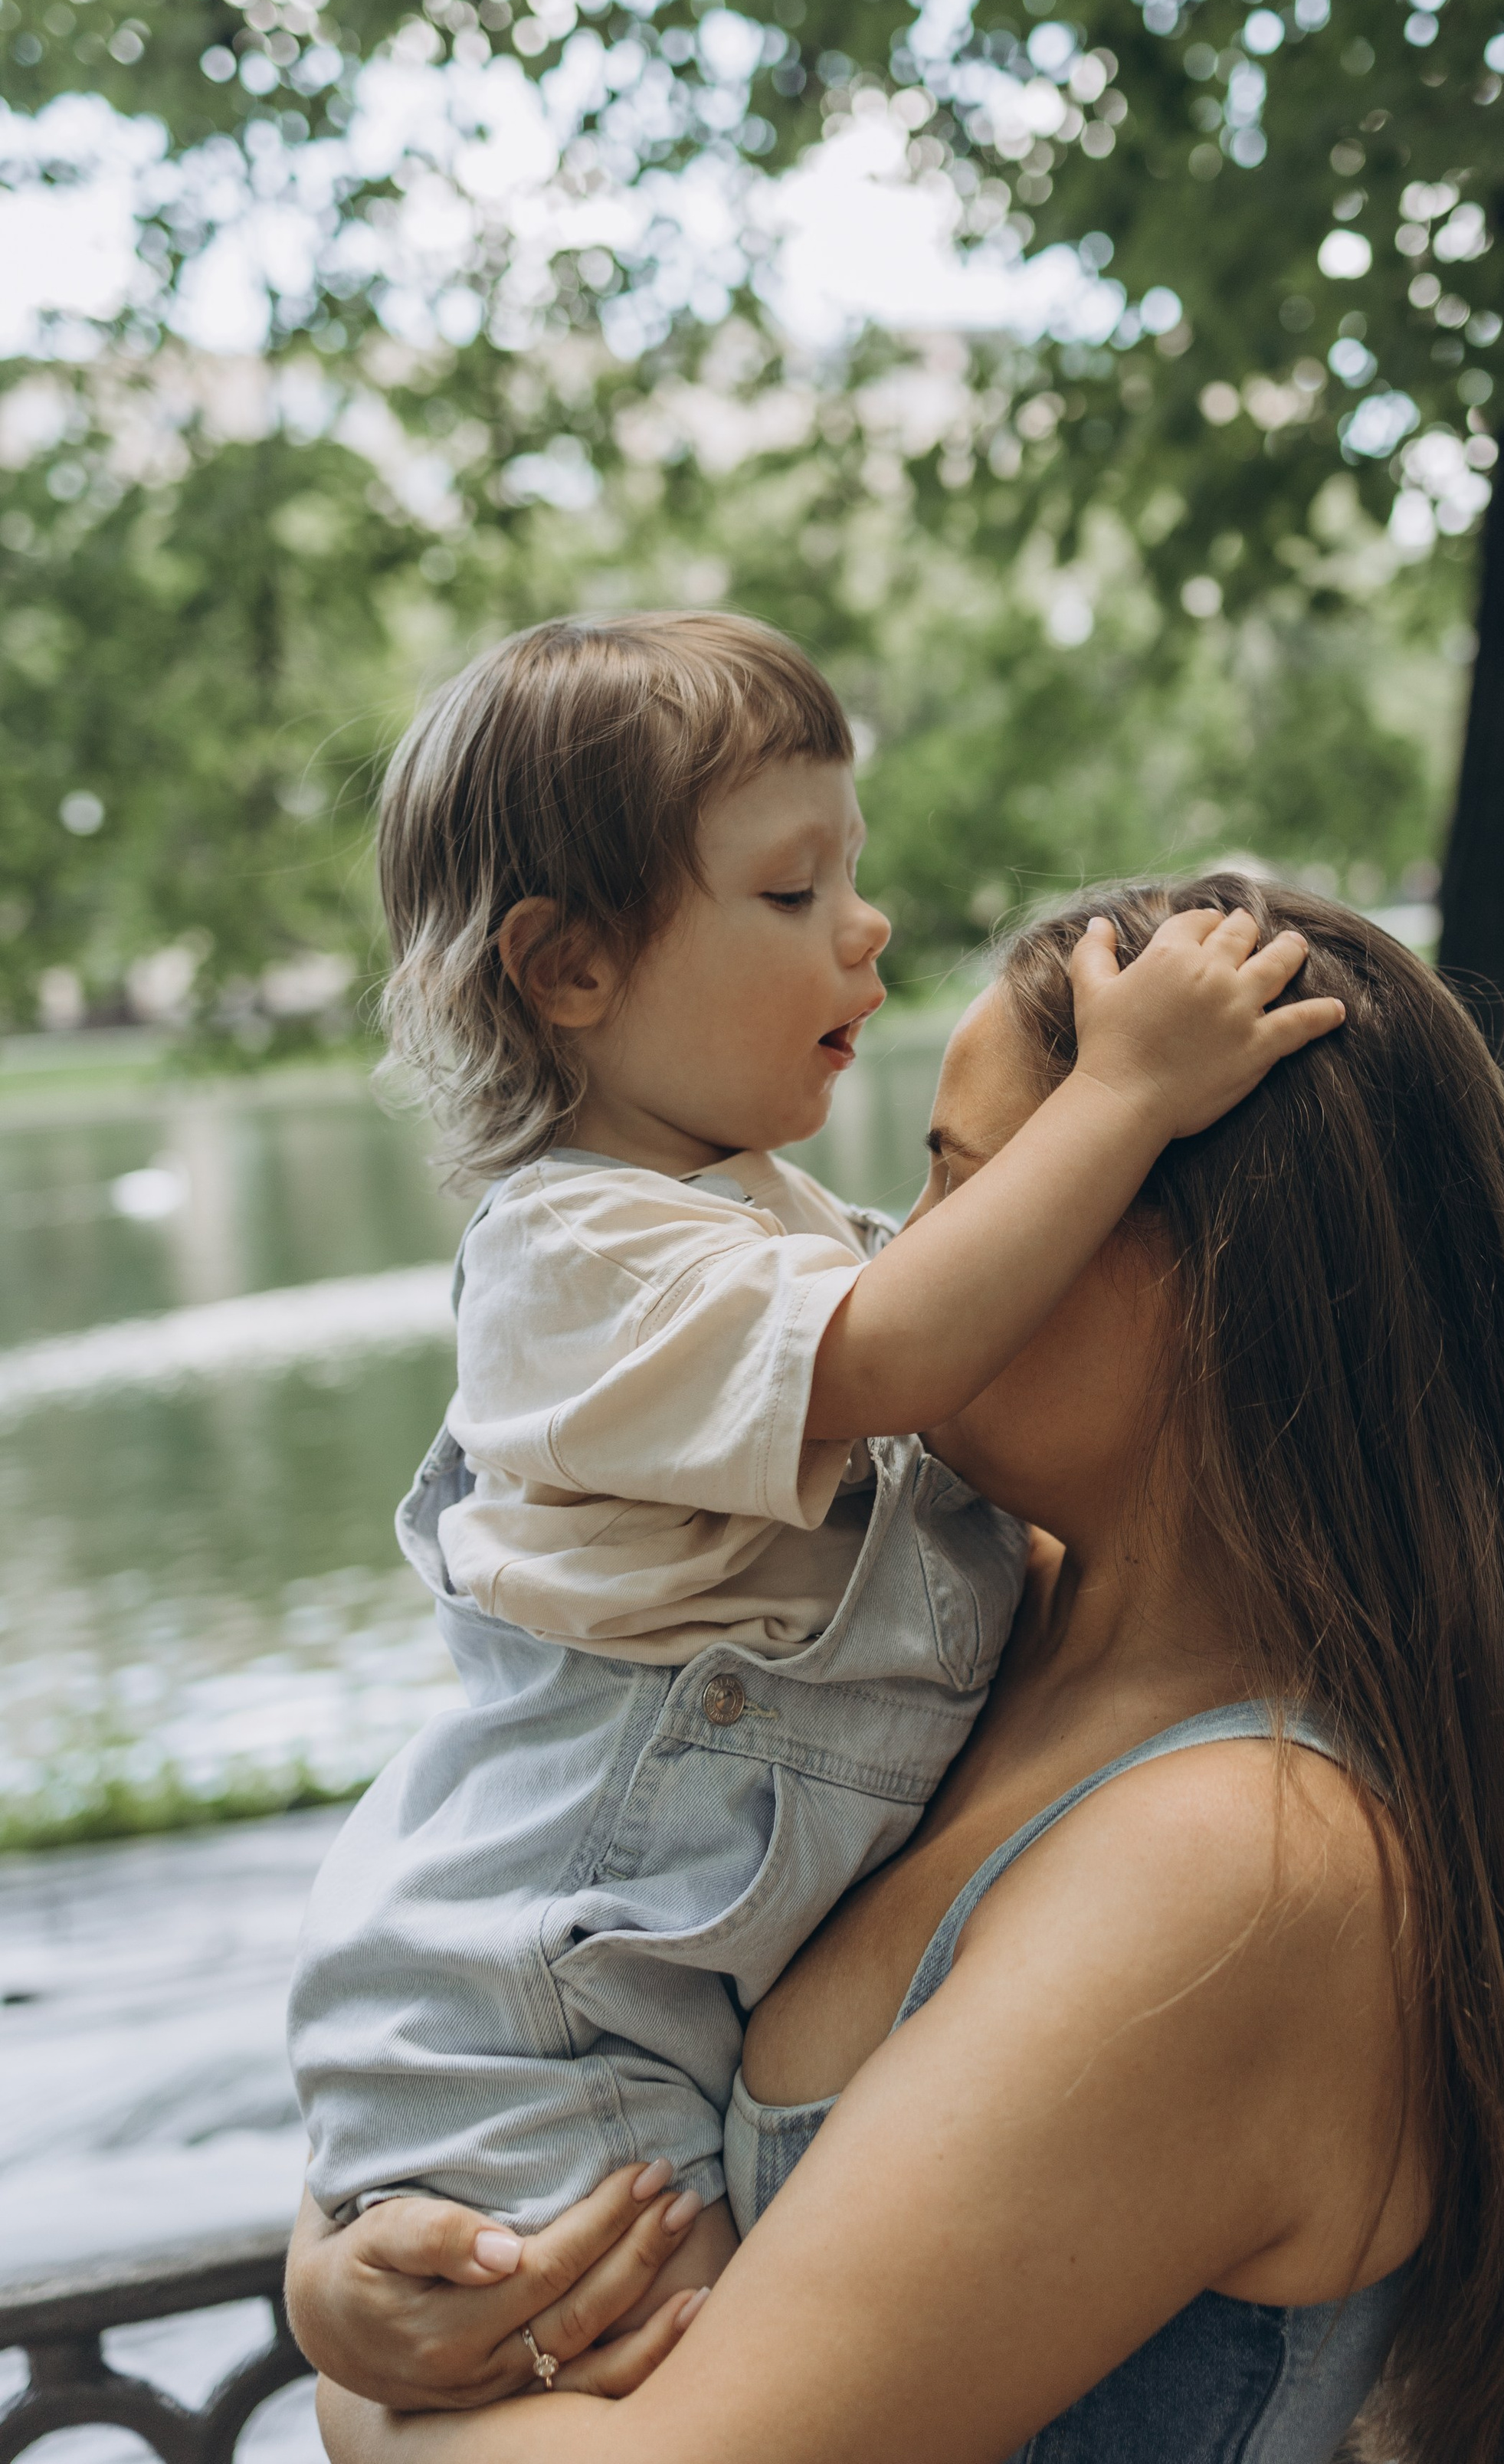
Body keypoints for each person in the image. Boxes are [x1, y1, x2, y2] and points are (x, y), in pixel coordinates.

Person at [288, 874, 1504, 2464]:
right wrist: (348, 2270)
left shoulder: (1241, 1865)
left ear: (1214, 1282)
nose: (903, 1261)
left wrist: (365, 2409)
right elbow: (521, 1929)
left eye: (968, 1186)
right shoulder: (939, 1632)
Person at [288, 613, 1339, 2314]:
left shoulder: (742, 1224)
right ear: (568, 970)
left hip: (618, 1995)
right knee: (653, 2367)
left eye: (851, 871)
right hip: (545, 2008)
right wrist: (1128, 1092)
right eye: (790, 894)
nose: (866, 926)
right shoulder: (580, 1256)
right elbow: (901, 1353)